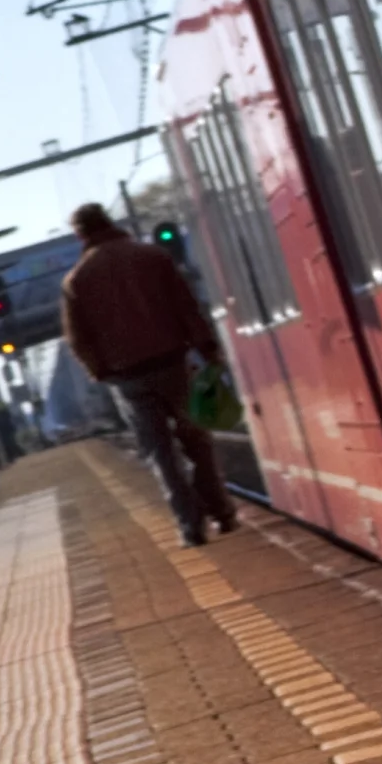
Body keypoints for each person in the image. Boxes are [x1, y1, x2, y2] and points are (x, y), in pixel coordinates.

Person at [60, 204, 237, 545]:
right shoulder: (151, 257)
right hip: (173, 364)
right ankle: (222, 512)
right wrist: (208, 348)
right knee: (196, 439)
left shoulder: (76, 280)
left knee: (162, 453)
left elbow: (77, 338)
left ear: (80, 234)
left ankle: (190, 527)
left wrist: (100, 371)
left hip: (127, 379)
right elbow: (185, 306)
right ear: (109, 222)